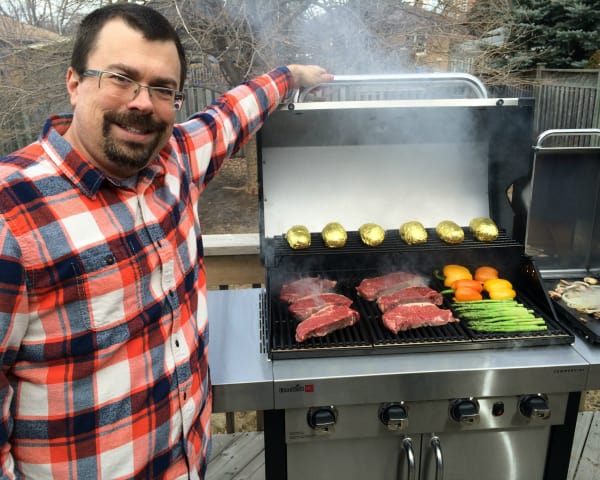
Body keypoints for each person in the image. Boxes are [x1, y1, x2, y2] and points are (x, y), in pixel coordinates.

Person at [0, 3, 333, 478]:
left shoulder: (174, 160)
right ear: (74, 82)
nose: (141, 102)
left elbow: (230, 114)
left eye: (162, 89)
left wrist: (291, 75)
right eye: (120, 77)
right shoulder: (11, 214)